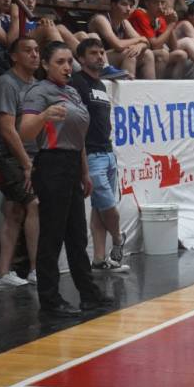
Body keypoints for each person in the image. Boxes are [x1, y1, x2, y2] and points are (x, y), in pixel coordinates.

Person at [19, 41, 113, 317]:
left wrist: (84, 172)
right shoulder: (39, 92)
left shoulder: (72, 92)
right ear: (46, 65)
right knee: (52, 235)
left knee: (76, 234)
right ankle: (50, 300)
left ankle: (89, 294)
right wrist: (45, 115)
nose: (66, 66)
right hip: (51, 164)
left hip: (72, 162)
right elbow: (24, 131)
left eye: (69, 61)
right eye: (60, 61)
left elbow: (79, 137)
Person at [70, 38, 127, 272]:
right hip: (90, 153)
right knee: (107, 205)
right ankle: (119, 238)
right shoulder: (77, 84)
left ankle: (100, 259)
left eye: (102, 52)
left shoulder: (101, 86)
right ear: (81, 59)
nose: (100, 57)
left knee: (99, 208)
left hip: (107, 151)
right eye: (93, 53)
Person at [0, 36, 40, 288]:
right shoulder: (6, 84)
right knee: (34, 204)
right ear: (14, 56)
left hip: (33, 153)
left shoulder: (39, 85)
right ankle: (36, 268)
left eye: (37, 50)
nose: (34, 54)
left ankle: (2, 274)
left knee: (14, 210)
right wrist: (27, 164)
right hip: (9, 154)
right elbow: (7, 130)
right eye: (27, 50)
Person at [128, 0, 194, 79]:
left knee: (181, 55)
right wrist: (171, 25)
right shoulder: (140, 14)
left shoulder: (159, 17)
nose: (159, 6)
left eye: (162, 2)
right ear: (147, 3)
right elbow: (154, 45)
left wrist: (169, 23)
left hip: (151, 53)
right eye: (155, 2)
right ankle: (156, 87)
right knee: (162, 53)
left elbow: (174, 47)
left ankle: (175, 87)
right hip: (138, 54)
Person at [87, 0, 155, 79]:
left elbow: (147, 42)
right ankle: (127, 89)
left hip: (114, 56)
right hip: (99, 60)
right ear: (113, 5)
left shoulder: (124, 22)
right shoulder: (101, 19)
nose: (128, 9)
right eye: (124, 4)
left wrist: (140, 45)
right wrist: (139, 40)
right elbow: (118, 45)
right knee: (129, 53)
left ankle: (151, 89)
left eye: (131, 6)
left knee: (148, 54)